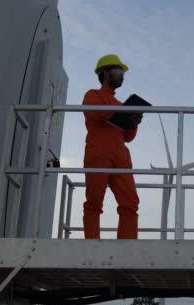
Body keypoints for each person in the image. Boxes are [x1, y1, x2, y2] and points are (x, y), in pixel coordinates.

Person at [82, 54, 142, 239]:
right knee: (94, 202)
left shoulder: (120, 104)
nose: (122, 74)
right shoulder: (92, 95)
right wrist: (124, 112)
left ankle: (127, 246)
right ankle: (92, 244)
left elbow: (128, 137)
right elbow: (99, 114)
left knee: (130, 203)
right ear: (105, 72)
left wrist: (134, 122)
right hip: (98, 154)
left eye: (123, 72)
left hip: (120, 157)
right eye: (119, 70)